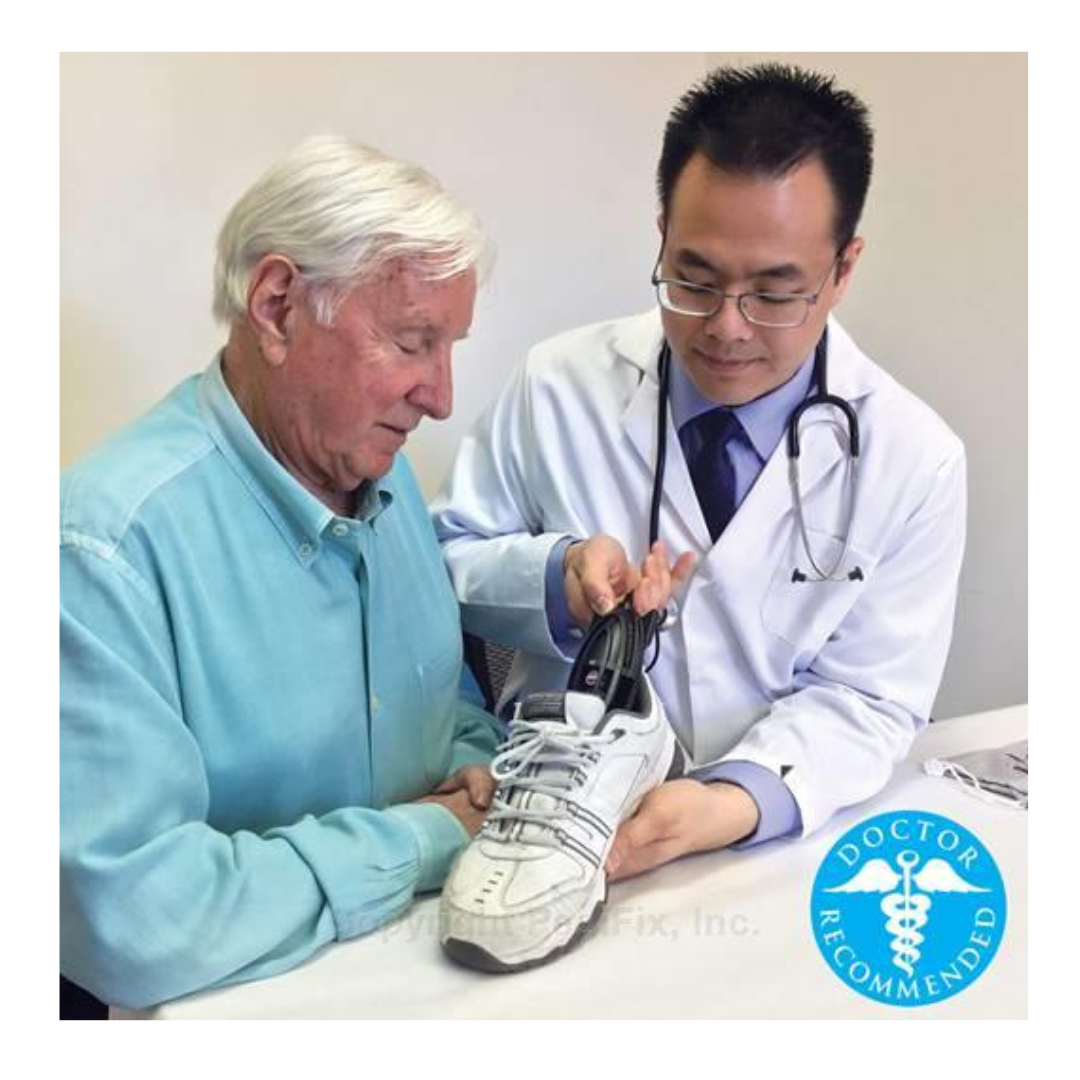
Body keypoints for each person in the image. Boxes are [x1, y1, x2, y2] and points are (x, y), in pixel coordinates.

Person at [433, 64, 966, 882]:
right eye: (695, 280)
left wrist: (734, 801)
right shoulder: (558, 385)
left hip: (767, 846)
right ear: (661, 239)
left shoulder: (914, 459)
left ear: (843, 269)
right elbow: (441, 566)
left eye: (774, 293)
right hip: (545, 817)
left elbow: (872, 698)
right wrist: (555, 577)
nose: (726, 328)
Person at [60, 135, 499, 1010]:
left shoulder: (384, 484)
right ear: (277, 307)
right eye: (413, 341)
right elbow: (136, 917)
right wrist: (424, 839)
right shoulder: (103, 552)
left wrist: (477, 766)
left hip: (427, 984)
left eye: (450, 346)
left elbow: (432, 711)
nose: (441, 396)